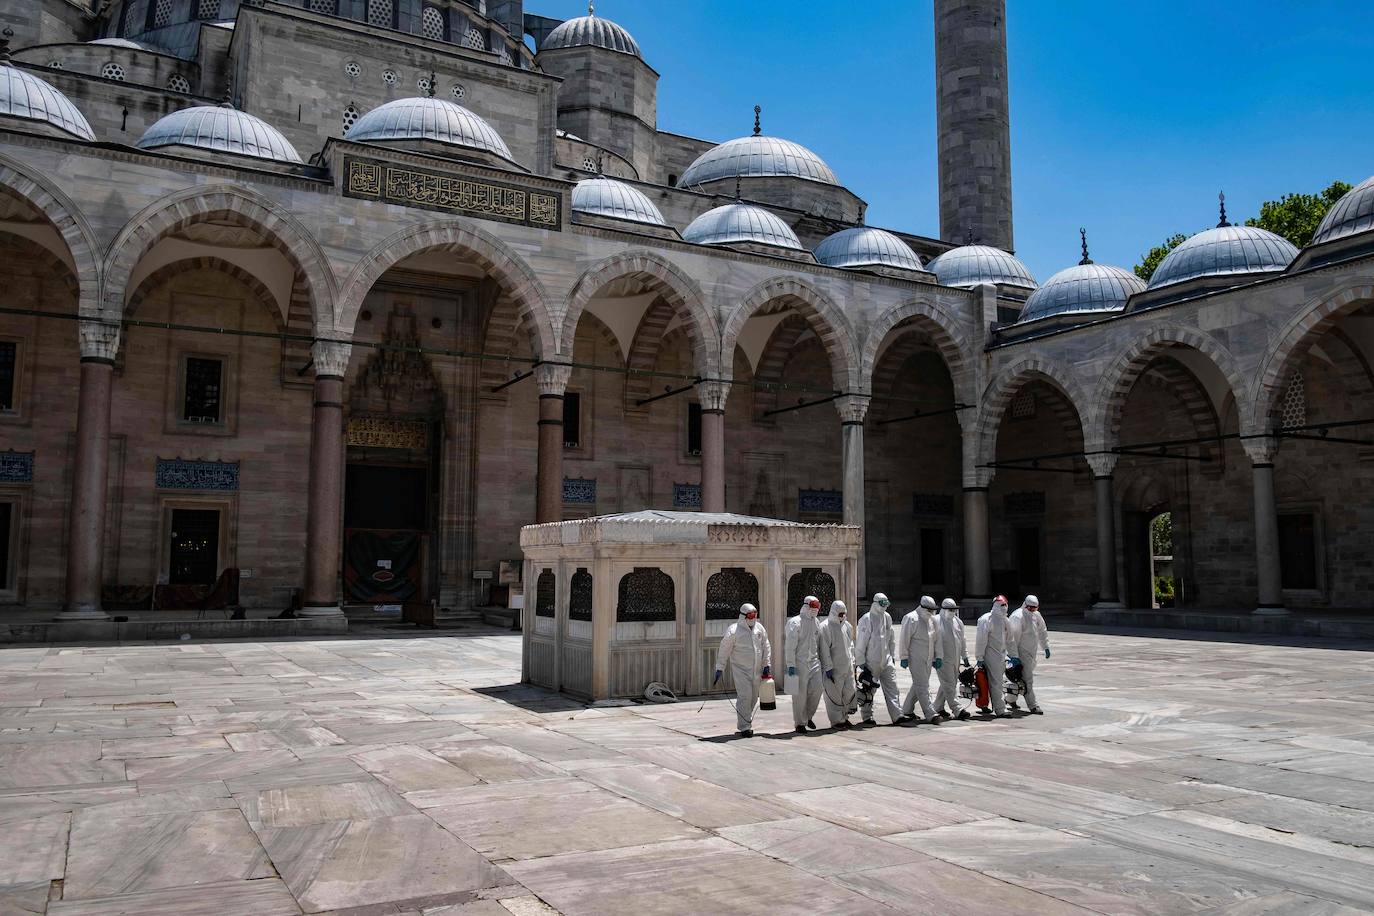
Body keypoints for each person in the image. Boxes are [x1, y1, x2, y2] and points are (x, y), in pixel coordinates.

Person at [713, 603, 771, 737]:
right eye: (750, 615)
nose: (753, 618)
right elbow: (724, 649)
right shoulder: (734, 630)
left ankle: (745, 720)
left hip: (756, 669)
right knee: (744, 696)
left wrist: (766, 663)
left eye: (755, 615)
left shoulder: (759, 628)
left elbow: (766, 645)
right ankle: (745, 727)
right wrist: (720, 667)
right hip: (741, 670)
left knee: (753, 698)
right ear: (743, 616)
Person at [855, 592, 902, 725]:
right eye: (882, 604)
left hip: (886, 660)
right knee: (869, 690)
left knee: (893, 688)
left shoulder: (887, 617)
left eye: (886, 604)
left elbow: (891, 638)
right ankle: (867, 717)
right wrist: (861, 662)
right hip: (871, 661)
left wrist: (892, 655)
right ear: (875, 603)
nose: (884, 606)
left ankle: (897, 715)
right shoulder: (867, 619)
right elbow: (861, 642)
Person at [785, 595, 824, 733]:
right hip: (799, 663)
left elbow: (818, 643)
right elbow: (790, 646)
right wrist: (790, 665)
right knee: (799, 695)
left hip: (814, 662)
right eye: (813, 606)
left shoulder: (816, 622)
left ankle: (808, 716)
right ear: (806, 606)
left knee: (817, 689)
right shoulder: (795, 622)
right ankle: (799, 723)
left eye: (817, 607)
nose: (815, 609)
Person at [897, 595, 938, 725]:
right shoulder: (911, 618)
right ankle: (930, 713)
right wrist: (903, 656)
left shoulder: (931, 620)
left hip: (928, 657)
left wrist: (937, 657)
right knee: (923, 685)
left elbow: (935, 639)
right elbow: (904, 639)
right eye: (929, 610)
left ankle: (907, 709)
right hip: (916, 658)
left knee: (919, 684)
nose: (932, 613)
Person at [817, 599, 857, 729]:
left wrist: (853, 662)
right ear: (834, 612)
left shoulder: (847, 626)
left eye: (844, 614)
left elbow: (851, 645)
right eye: (840, 614)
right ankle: (836, 720)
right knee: (834, 695)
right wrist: (828, 667)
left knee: (849, 691)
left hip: (848, 666)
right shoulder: (825, 627)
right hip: (834, 668)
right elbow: (824, 649)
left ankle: (844, 717)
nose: (842, 616)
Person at [1008, 594, 1049, 714]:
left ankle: (1010, 699)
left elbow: (1042, 630)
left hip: (1032, 652)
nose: (1032, 610)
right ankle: (1033, 705)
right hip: (1021, 652)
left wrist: (1045, 646)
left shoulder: (1036, 615)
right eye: (1030, 608)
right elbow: (1012, 639)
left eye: (1035, 608)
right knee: (1028, 680)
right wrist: (1013, 656)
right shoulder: (1017, 616)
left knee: (1017, 679)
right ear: (1025, 605)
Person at [932, 598, 971, 721]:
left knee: (949, 683)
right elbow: (932, 641)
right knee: (949, 684)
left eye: (954, 609)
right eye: (950, 610)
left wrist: (965, 656)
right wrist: (934, 657)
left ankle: (937, 707)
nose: (953, 612)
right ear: (943, 609)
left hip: (955, 658)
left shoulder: (958, 622)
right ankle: (957, 709)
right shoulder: (936, 621)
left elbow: (962, 640)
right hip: (942, 659)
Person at [974, 595, 1011, 717]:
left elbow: (1010, 639)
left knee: (994, 682)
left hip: (1000, 655)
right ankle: (1000, 709)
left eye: (1005, 605)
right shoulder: (986, 619)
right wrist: (979, 657)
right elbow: (981, 640)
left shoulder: (1005, 620)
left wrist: (1012, 655)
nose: (1004, 608)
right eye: (1002, 605)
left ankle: (985, 705)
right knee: (996, 682)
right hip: (990, 654)